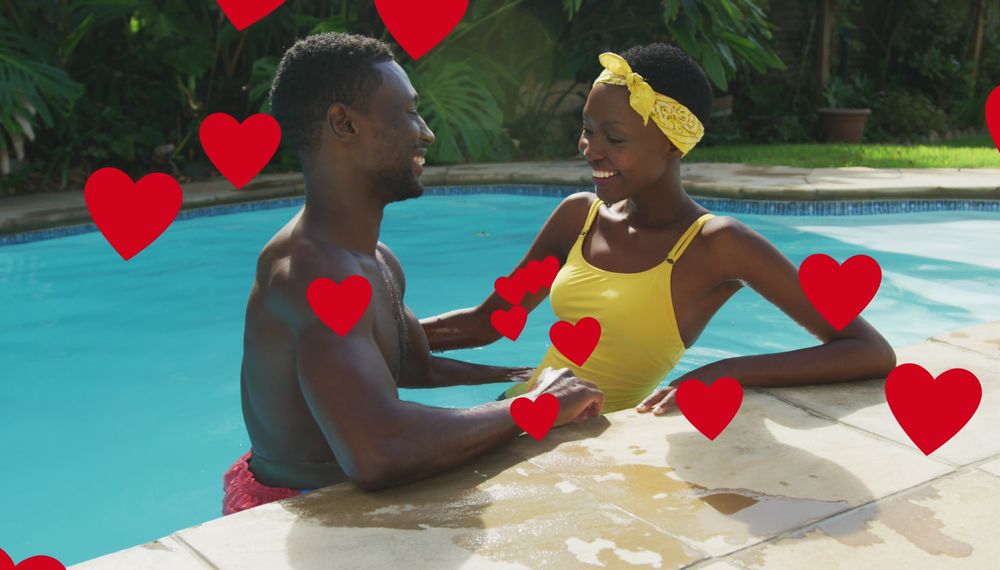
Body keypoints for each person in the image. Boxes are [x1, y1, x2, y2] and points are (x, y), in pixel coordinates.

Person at [225, 33, 604, 516]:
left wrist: (533, 378)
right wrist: (537, 408)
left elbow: (410, 368)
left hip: (346, 489)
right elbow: (378, 452)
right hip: (297, 509)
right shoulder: (308, 272)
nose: (425, 132)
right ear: (344, 124)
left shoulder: (375, 258)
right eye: (408, 112)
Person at [420, 43, 897, 415]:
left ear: (672, 144)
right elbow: (487, 322)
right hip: (513, 414)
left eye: (615, 137)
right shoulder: (577, 218)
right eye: (587, 129)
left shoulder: (717, 245)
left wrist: (722, 372)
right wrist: (367, 333)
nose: (591, 148)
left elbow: (867, 350)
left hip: (588, 446)